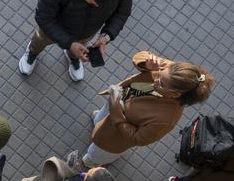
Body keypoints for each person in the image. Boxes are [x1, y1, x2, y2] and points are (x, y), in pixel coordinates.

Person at [72, 51, 214, 168]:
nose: (156, 78)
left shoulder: (166, 120)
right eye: (161, 72)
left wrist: (117, 114)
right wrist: (147, 63)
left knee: (95, 153)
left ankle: (91, 161)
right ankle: (99, 121)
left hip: (115, 134)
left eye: (161, 83)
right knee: (101, 116)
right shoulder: (173, 71)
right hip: (117, 102)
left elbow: (138, 139)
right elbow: (138, 57)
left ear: (175, 94)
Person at [18, 0, 131, 82]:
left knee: (79, 47)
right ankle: (32, 52)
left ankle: (73, 56)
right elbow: (43, 18)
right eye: (93, 2)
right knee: (40, 40)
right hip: (54, 28)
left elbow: (122, 13)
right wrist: (69, 43)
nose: (97, 6)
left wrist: (106, 37)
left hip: (86, 32)